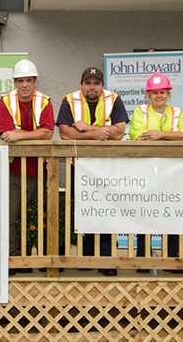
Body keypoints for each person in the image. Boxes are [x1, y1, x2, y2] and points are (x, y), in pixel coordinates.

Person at [57, 67, 129, 276]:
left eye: (96, 83)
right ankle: (86, 257)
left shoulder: (114, 99)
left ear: (102, 85)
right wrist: (99, 132)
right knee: (78, 211)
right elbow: (64, 133)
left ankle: (105, 259)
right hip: (76, 166)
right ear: (81, 85)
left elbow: (119, 132)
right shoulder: (69, 100)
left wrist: (87, 128)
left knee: (106, 209)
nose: (92, 87)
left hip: (106, 167)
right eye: (88, 83)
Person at [130, 72, 183, 274]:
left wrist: (159, 135)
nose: (159, 96)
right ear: (148, 95)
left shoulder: (178, 112)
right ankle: (143, 259)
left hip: (173, 172)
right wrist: (171, 137)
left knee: (171, 213)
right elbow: (138, 137)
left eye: (162, 92)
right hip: (146, 171)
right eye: (155, 92)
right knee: (144, 214)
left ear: (168, 94)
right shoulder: (140, 111)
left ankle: (172, 259)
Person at [0, 60, 56, 275]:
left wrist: (19, 133)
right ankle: (13, 259)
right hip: (14, 171)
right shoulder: (5, 102)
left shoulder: (45, 102)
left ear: (35, 81)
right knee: (11, 217)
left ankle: (41, 259)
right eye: (20, 81)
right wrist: (32, 134)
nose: (24, 85)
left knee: (42, 217)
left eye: (28, 80)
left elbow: (48, 133)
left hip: (41, 170)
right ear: (14, 82)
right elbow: (5, 134)